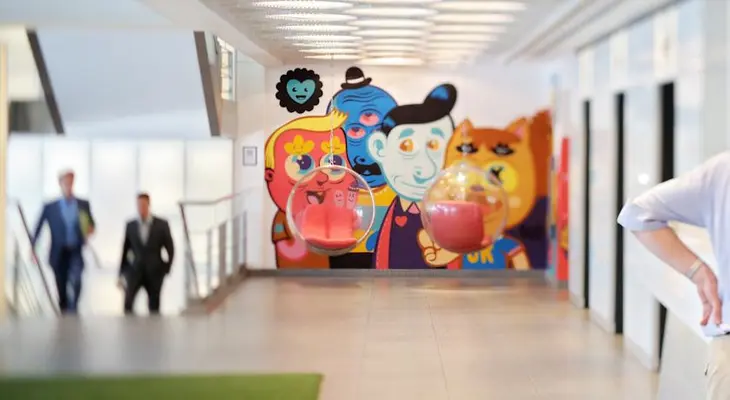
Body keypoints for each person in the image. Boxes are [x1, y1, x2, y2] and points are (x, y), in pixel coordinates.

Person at [617, 152, 729, 399]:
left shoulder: (722, 171)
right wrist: (699, 273)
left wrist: (699, 273)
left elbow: (637, 213)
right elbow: (636, 213)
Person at [32, 169, 95, 314]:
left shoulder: (82, 204)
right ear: (60, 184)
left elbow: (91, 225)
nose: (69, 186)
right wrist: (33, 248)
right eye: (66, 183)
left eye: (71, 182)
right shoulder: (50, 207)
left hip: (75, 250)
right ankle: (64, 312)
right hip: (58, 253)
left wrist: (89, 230)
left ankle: (73, 308)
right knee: (61, 286)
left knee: (77, 280)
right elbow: (38, 227)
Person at [119, 193, 174, 315]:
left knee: (154, 306)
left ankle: (153, 327)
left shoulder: (161, 225)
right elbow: (125, 249)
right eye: (139, 205)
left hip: (154, 271)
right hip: (135, 270)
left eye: (143, 205)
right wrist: (122, 272)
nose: (141, 208)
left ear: (148, 205)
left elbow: (170, 248)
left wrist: (166, 268)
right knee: (128, 302)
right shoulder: (131, 225)